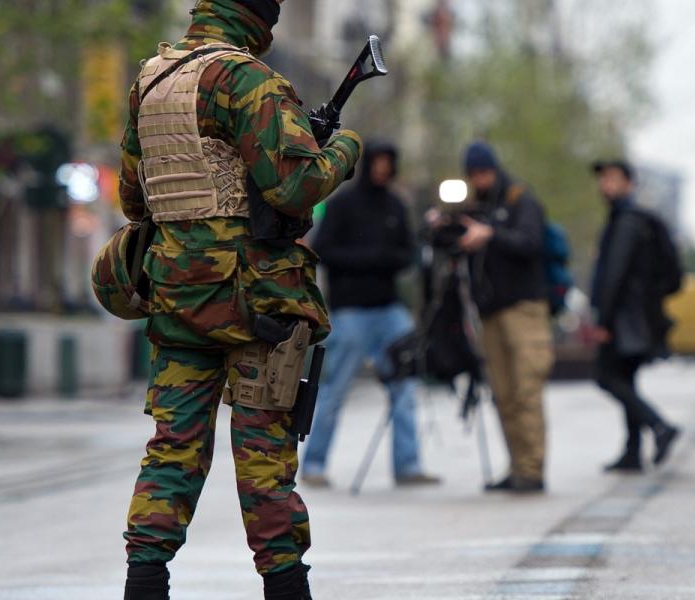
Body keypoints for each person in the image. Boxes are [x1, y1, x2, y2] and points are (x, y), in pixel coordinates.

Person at [114, 1, 362, 598]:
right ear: (257, 17)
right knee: (262, 455)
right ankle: (284, 587)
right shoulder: (247, 79)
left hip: (175, 299)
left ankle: (144, 582)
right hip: (255, 304)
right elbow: (296, 184)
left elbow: (133, 200)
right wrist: (345, 149)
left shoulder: (150, 80)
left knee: (172, 449)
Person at [300, 142, 440, 489]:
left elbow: (407, 253)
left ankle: (407, 465)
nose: (382, 168)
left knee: (405, 385)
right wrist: (370, 258)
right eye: (377, 162)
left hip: (388, 308)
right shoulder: (343, 204)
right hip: (351, 310)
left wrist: (386, 259)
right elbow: (325, 251)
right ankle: (314, 463)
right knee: (335, 389)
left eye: (388, 162)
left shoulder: (395, 204)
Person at [450, 141, 554, 494]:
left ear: (493, 169)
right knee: (504, 393)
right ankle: (516, 466)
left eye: (483, 172)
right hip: (491, 312)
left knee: (526, 389)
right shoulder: (476, 206)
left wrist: (491, 234)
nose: (479, 180)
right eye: (473, 174)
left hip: (524, 308)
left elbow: (531, 242)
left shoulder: (519, 200)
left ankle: (532, 469)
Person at [589, 159, 681, 472]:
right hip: (636, 317)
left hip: (624, 318)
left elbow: (614, 273)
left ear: (629, 183)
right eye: (603, 179)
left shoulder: (626, 223)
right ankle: (632, 451)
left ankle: (660, 426)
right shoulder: (630, 220)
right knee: (625, 378)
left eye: (613, 178)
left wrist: (603, 321)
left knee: (607, 378)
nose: (606, 185)